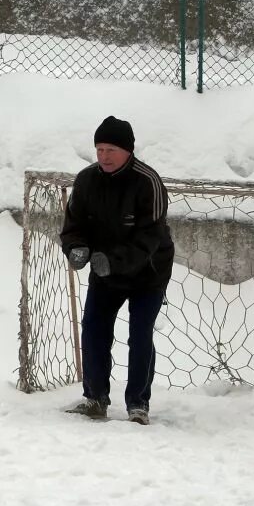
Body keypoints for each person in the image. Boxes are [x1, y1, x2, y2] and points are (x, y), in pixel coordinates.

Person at [60, 116, 174, 425]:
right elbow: (73, 227)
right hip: (105, 270)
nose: (104, 156)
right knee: (94, 328)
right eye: (99, 149)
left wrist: (114, 260)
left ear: (128, 150)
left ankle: (138, 404)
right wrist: (76, 249)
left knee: (139, 334)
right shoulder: (86, 181)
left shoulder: (147, 181)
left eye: (111, 149)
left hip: (148, 273)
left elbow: (150, 237)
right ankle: (95, 398)